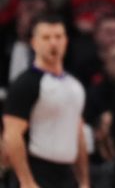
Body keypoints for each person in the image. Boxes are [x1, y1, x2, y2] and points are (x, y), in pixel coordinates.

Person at [3, 13, 89, 188]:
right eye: (46, 37)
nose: (53, 43)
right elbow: (12, 135)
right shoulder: (25, 83)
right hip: (37, 172)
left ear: (66, 40)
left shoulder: (75, 86)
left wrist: (84, 181)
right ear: (34, 42)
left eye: (58, 37)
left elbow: (78, 134)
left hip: (66, 174)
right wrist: (26, 181)